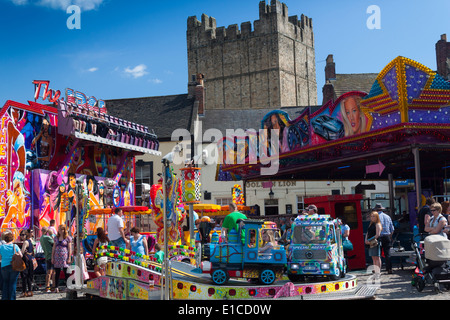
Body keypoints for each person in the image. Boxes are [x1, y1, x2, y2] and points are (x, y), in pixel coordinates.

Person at [0, 232, 22, 300]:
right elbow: (21, 255)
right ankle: (12, 298)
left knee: (5, 282)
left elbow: (0, 257)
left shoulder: (1, 247)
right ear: (12, 239)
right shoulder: (15, 246)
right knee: (12, 283)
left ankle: (4, 298)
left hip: (4, 266)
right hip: (14, 266)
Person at [374, 203, 395, 274]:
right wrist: (390, 236)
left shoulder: (375, 217)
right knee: (387, 254)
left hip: (379, 236)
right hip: (387, 236)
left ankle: (378, 269)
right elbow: (392, 229)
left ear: (376, 210)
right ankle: (389, 269)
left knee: (378, 254)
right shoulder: (387, 217)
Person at [51, 224, 72, 293]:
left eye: (62, 229)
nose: (60, 231)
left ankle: (68, 286)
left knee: (66, 272)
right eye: (59, 229)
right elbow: (53, 248)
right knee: (57, 272)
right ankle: (56, 287)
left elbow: (69, 248)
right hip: (57, 257)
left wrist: (69, 257)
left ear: (64, 230)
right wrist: (52, 257)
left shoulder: (67, 238)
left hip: (64, 256)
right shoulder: (56, 238)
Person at [365, 211, 382, 279]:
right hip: (370, 242)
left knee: (377, 257)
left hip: (375, 242)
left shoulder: (378, 224)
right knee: (373, 257)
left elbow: (377, 235)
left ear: (377, 217)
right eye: (371, 216)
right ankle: (375, 271)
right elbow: (367, 233)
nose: (372, 218)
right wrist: (366, 239)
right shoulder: (370, 224)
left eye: (373, 216)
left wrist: (370, 240)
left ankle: (378, 272)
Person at [20, 229, 35, 297]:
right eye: (21, 235)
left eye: (23, 235)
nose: (22, 236)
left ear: (26, 235)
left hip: (26, 260)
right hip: (30, 259)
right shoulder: (30, 241)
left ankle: (24, 292)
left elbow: (22, 252)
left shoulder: (25, 242)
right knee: (29, 276)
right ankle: (29, 291)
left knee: (24, 276)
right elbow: (32, 251)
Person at [40, 226, 55, 293]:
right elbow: (54, 242)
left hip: (47, 256)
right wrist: (51, 234)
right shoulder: (47, 237)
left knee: (48, 272)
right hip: (51, 255)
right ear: (46, 232)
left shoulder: (41, 238)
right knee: (53, 272)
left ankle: (47, 286)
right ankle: (52, 286)